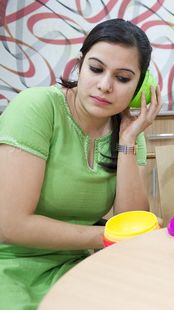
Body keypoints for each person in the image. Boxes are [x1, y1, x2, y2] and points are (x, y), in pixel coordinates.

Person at [0, 18, 162, 309]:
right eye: (96, 69)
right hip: (9, 263)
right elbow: (10, 224)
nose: (104, 86)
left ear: (140, 85)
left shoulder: (128, 131)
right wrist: (105, 237)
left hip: (76, 263)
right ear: (80, 65)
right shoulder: (37, 107)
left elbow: (130, 220)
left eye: (123, 78)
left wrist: (128, 138)